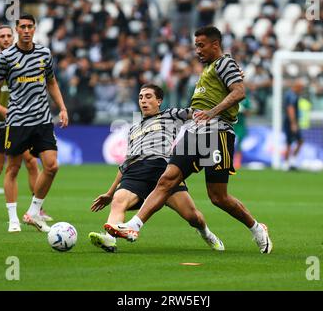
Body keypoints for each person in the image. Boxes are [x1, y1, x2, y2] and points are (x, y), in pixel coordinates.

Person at [104, 26, 272, 254]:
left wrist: (212, 112)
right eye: (195, 46)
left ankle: (257, 228)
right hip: (195, 133)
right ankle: (134, 226)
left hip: (217, 132)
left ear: (215, 44)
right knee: (167, 179)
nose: (197, 50)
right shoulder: (208, 70)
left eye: (201, 45)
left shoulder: (224, 63)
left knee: (218, 197)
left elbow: (239, 92)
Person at [89, 84, 224, 253]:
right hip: (136, 170)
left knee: (193, 217)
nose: (143, 101)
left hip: (163, 169)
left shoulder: (169, 115)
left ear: (159, 101)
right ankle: (110, 240)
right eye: (140, 97)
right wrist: (109, 193)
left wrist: (214, 108)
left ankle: (207, 234)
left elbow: (194, 112)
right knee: (118, 201)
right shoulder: (134, 128)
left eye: (148, 97)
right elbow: (125, 162)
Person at [0, 14, 68, 233]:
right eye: (22, 27)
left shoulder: (44, 53)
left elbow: (51, 82)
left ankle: (33, 212)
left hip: (42, 120)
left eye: (29, 27)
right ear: (16, 30)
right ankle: (13, 218)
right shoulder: (6, 57)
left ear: (34, 29)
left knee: (52, 166)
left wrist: (62, 107)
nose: (25, 30)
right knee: (12, 168)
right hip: (17, 122)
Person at [283, 79, 304, 171]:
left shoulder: (291, 94)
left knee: (298, 141)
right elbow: (290, 109)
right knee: (290, 143)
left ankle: (291, 162)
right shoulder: (292, 95)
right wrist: (293, 123)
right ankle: (287, 163)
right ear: (297, 86)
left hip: (291, 121)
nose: (302, 89)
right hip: (290, 122)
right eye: (301, 87)